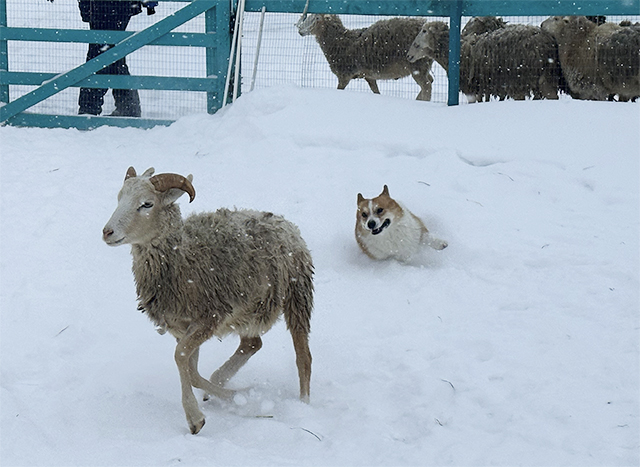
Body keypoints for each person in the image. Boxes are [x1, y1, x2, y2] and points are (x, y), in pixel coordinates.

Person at [77, 1, 157, 117]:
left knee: (101, 55)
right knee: (111, 55)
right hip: (105, 6)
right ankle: (127, 106)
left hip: (110, 6)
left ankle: (90, 107)